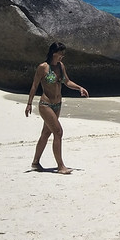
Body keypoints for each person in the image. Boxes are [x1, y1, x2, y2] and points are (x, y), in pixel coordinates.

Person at [25, 41, 88, 173]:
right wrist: (29, 103)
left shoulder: (60, 66)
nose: (62, 57)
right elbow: (34, 86)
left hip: (57, 105)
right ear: (53, 53)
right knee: (58, 132)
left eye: (63, 55)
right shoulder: (43, 67)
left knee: (46, 133)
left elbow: (67, 81)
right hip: (45, 104)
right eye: (60, 54)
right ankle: (61, 166)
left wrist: (79, 88)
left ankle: (35, 163)